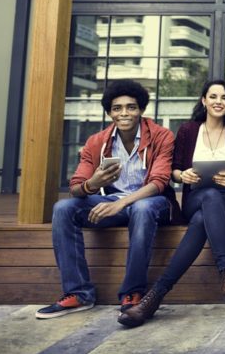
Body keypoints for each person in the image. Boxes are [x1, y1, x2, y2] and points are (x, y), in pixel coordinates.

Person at [118, 80, 225, 327]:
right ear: (203, 100)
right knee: (206, 200)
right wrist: (183, 176)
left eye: (224, 97)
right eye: (213, 96)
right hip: (195, 197)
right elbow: (174, 169)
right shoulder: (188, 130)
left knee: (206, 213)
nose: (218, 102)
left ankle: (155, 296)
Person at [36, 80, 179, 319]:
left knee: (141, 208)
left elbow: (159, 182)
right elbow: (76, 187)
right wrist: (94, 184)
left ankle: (133, 292)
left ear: (141, 110)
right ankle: (78, 293)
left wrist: (120, 203)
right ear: (110, 112)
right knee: (63, 208)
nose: (124, 113)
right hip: (112, 202)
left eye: (131, 107)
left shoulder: (161, 136)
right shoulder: (96, 141)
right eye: (117, 108)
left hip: (153, 202)